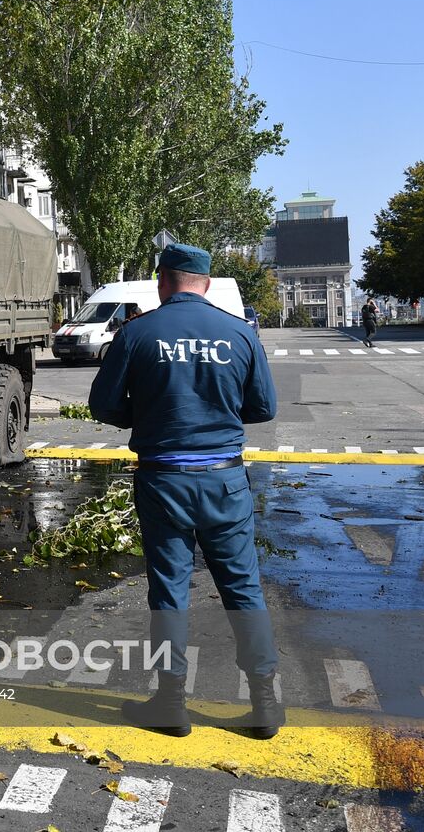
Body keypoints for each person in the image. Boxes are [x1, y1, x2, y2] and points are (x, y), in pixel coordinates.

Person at [88, 243, 282, 739]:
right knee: (243, 588)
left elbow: (104, 406)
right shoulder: (239, 333)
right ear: (207, 283)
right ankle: (265, 704)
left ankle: (171, 704)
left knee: (169, 592)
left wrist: (148, 416)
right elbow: (263, 409)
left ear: (163, 281)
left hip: (163, 478)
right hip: (224, 478)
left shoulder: (137, 333)